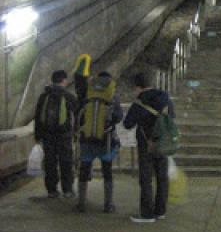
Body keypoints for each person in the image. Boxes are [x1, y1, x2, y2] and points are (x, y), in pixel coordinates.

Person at [123, 72, 175, 223]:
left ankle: (147, 214)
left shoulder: (140, 102)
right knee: (162, 177)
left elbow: (128, 124)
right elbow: (172, 117)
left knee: (146, 179)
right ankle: (160, 211)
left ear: (138, 87)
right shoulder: (165, 98)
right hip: (163, 142)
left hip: (146, 144)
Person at [76, 71, 123, 213]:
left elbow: (79, 113)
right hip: (106, 140)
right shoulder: (112, 96)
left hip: (87, 139)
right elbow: (118, 116)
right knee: (107, 172)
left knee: (84, 170)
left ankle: (81, 203)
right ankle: (108, 205)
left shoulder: (87, 94)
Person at [34, 70, 77, 198]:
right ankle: (67, 190)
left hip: (47, 135)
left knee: (50, 163)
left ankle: (52, 190)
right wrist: (76, 133)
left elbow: (37, 117)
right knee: (66, 162)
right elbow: (78, 114)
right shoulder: (68, 96)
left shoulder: (44, 96)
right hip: (64, 136)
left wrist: (38, 135)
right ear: (64, 80)